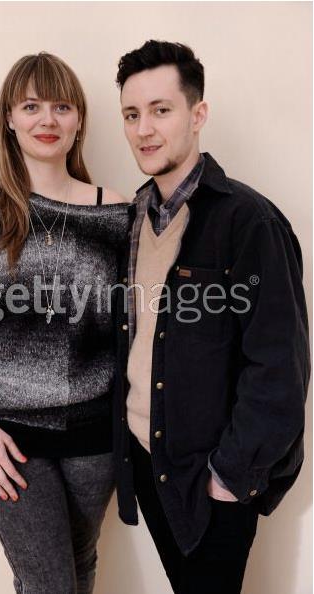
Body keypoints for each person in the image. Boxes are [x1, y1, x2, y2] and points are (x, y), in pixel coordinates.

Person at [112, 40, 310, 594]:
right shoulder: (132, 219)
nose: (144, 129)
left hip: (210, 478)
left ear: (197, 115)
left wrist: (228, 478)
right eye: (132, 114)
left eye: (161, 109)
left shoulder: (248, 221)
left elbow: (279, 366)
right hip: (147, 459)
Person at [0, 51, 129, 594]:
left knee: (80, 564)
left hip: (97, 440)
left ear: (79, 120)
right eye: (32, 105)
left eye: (62, 106)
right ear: (9, 119)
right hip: (12, 439)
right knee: (50, 584)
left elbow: (129, 328)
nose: (47, 119)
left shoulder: (115, 213)